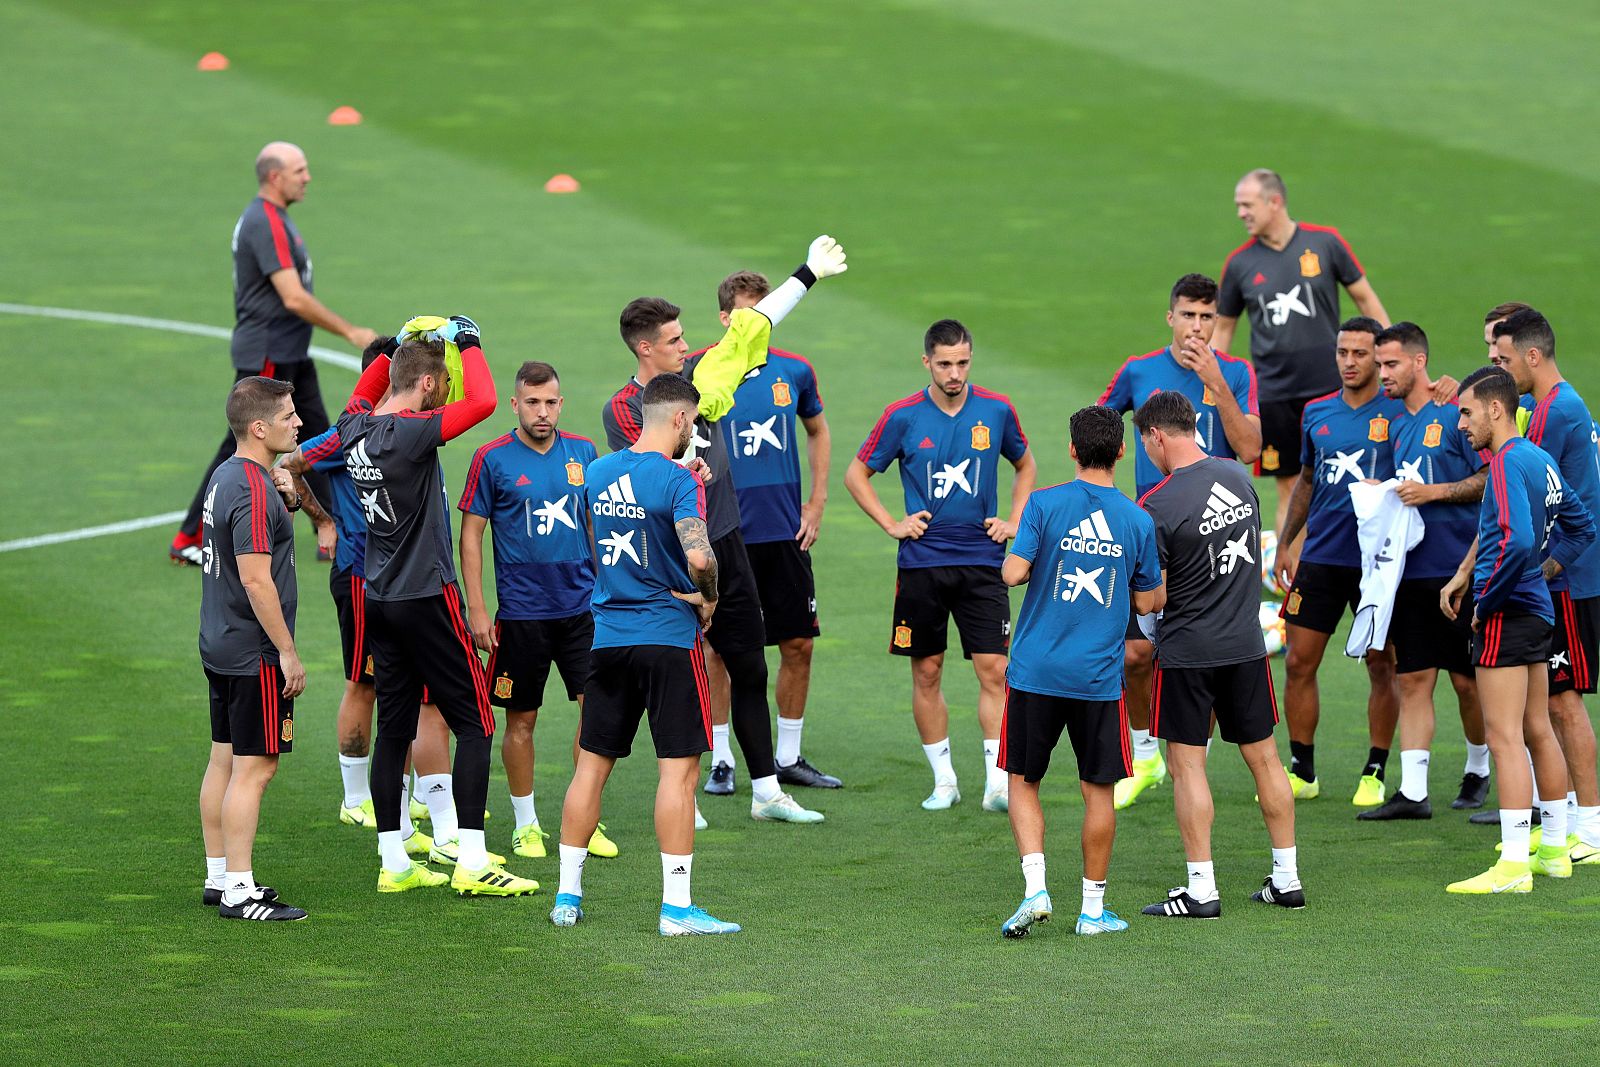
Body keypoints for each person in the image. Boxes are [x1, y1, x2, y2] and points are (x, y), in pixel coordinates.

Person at [600, 235, 847, 825]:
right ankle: (684, 790)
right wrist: (686, 464)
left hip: (726, 540)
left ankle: (766, 790)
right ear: (645, 348)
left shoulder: (706, 377)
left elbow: (752, 326)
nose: (687, 346)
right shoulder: (623, 409)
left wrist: (807, 273)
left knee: (750, 665)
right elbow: (648, 467)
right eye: (674, 340)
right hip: (668, 559)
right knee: (679, 673)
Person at [336, 318, 537, 896]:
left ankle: (394, 863)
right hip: (429, 596)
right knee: (475, 723)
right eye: (441, 381)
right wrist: (470, 339)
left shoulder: (356, 427)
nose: (447, 390)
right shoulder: (416, 432)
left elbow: (367, 389)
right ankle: (472, 861)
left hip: (379, 598)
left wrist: (398, 344)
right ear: (426, 385)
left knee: (394, 729)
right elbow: (487, 400)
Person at [551, 372, 737, 935]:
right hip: (667, 639)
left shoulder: (598, 471)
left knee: (590, 767)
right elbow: (701, 559)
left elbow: (586, 536)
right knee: (678, 774)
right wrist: (708, 598)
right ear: (679, 419)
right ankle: (677, 909)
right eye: (694, 424)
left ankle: (567, 896)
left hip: (606, 637)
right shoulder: (679, 482)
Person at [845, 319, 1036, 812]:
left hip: (982, 561)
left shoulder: (996, 409)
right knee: (927, 671)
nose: (955, 373)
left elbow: (1025, 463)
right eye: (945, 364)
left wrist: (1014, 520)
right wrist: (892, 523)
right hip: (922, 565)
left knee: (995, 670)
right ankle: (945, 780)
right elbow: (857, 474)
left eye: (963, 363)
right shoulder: (902, 416)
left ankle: (997, 782)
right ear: (927, 361)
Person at [1132, 391, 1303, 918]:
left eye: (1146, 443)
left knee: (1187, 766)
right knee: (1266, 759)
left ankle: (1202, 889)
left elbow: (1152, 598)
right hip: (1246, 646)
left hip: (1188, 652)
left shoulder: (1156, 505)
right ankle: (1287, 879)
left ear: (1157, 436)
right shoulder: (1236, 477)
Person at [997, 406, 1164, 939]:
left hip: (1034, 673)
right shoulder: (1138, 520)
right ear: (1120, 452)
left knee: (1024, 781)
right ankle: (1092, 911)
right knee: (1099, 791)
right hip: (1097, 680)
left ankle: (1036, 890)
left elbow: (1013, 572)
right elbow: (1147, 602)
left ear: (1072, 450)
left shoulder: (1044, 504)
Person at [1097, 272, 1260, 809]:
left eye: (1207, 317)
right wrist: (1111, 499)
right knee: (1136, 655)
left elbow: (1250, 446)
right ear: (1171, 317)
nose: (1196, 326)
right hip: (1156, 530)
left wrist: (1215, 383)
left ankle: (1193, 753)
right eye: (1188, 315)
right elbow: (1100, 428)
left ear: (1218, 321)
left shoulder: (1234, 373)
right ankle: (1146, 755)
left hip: (1215, 534)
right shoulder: (1139, 371)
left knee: (1204, 653)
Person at [172, 142, 377, 565]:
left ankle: (332, 526)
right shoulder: (265, 222)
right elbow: (293, 298)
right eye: (300, 170)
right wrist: (350, 331)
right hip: (269, 351)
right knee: (243, 441)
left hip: (291, 352)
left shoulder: (277, 219)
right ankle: (190, 535)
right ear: (274, 177)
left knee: (320, 433)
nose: (308, 177)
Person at [276, 362, 449, 861]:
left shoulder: (410, 431)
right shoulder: (348, 437)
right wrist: (323, 521)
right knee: (366, 683)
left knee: (415, 692)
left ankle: (416, 798)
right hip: (362, 574)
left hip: (407, 579)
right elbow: (290, 463)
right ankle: (358, 799)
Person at [1440, 367, 1594, 893]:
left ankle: (1511, 868)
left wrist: (1488, 598)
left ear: (1495, 409)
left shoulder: (1507, 462)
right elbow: (1581, 527)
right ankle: (1554, 851)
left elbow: (1518, 540)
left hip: (1508, 613)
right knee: (1537, 730)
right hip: (1540, 613)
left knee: (1504, 737)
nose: (1461, 424)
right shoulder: (1539, 458)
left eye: (1466, 412)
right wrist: (1546, 574)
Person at [458, 360, 619, 860]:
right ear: (515, 404)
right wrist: (479, 609)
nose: (542, 412)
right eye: (532, 402)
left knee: (595, 716)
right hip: (522, 615)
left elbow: (597, 525)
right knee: (521, 721)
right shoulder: (492, 458)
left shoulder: (584, 452)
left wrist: (608, 589)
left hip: (582, 611)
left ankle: (584, 818)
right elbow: (471, 534)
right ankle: (526, 825)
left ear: (560, 403)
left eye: (550, 402)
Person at [703, 271, 841, 789]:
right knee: (719, 650)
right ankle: (722, 759)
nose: (760, 323)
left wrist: (817, 501)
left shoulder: (796, 371)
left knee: (797, 644)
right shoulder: (704, 368)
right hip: (723, 535)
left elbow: (818, 429)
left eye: (766, 311)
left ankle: (788, 756)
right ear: (726, 320)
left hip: (785, 533)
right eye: (747, 314)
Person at [1360, 322, 1491, 818]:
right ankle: (1413, 792)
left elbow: (1488, 476)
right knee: (1413, 678)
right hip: (1409, 571)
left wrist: (1434, 493)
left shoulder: (1457, 413)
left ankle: (1478, 768)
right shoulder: (1396, 424)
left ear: (1419, 362)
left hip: (1462, 568)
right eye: (1379, 364)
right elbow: (1410, 485)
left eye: (1390, 364)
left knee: (1467, 681)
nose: (1382, 373)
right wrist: (1385, 489)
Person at [1213, 168, 1389, 536]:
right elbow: (1223, 329)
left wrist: (1390, 358)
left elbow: (1365, 298)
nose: (1241, 213)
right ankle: (1290, 584)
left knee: (1349, 481)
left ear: (1274, 202)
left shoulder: (1325, 243)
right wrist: (1209, 383)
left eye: (1247, 205)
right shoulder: (1240, 263)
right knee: (1290, 488)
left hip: (1332, 389)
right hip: (1276, 396)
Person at [1273, 317, 1404, 805]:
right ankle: (1302, 769)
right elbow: (1307, 479)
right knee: (1299, 661)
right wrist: (1288, 541)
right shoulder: (1316, 412)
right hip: (1322, 555)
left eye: (1360, 354)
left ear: (1378, 357)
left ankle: (1374, 770)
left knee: (1380, 663)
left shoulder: (1400, 411)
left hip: (1377, 561)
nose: (1349, 362)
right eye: (1342, 353)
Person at [1490, 309, 1600, 861]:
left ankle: (1591, 830)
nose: (1503, 372)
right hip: (1568, 574)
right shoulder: (1558, 405)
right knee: (1555, 700)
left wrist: (1538, 572)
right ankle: (1573, 823)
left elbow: (1538, 490)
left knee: (1565, 704)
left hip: (1572, 580)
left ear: (1533, 356)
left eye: (1505, 360)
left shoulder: (1555, 413)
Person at [197, 376, 308, 920]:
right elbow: (257, 579)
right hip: (253, 651)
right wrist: (286, 651)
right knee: (255, 768)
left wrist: (283, 494)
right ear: (259, 428)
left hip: (219, 642)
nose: (299, 422)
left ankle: (219, 876)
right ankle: (241, 891)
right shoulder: (253, 487)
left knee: (223, 759)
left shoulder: (228, 475)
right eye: (289, 416)